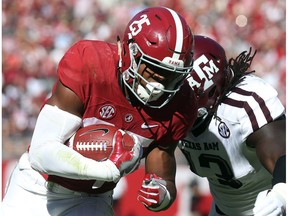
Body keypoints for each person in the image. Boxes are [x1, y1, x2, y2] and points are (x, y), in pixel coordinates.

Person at [1, 6, 198, 216]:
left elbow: (163, 161)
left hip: (92, 200)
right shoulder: (90, 63)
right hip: (38, 187)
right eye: (154, 69)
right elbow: (41, 153)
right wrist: (106, 170)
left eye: (171, 75)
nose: (160, 84)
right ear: (130, 53)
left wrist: (163, 191)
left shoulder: (181, 103)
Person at [179, 35, 286, 215]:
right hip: (222, 209)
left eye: (181, 90)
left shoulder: (243, 104)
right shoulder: (174, 108)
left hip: (270, 208)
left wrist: (282, 195)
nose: (173, 97)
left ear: (210, 91)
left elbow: (283, 153)